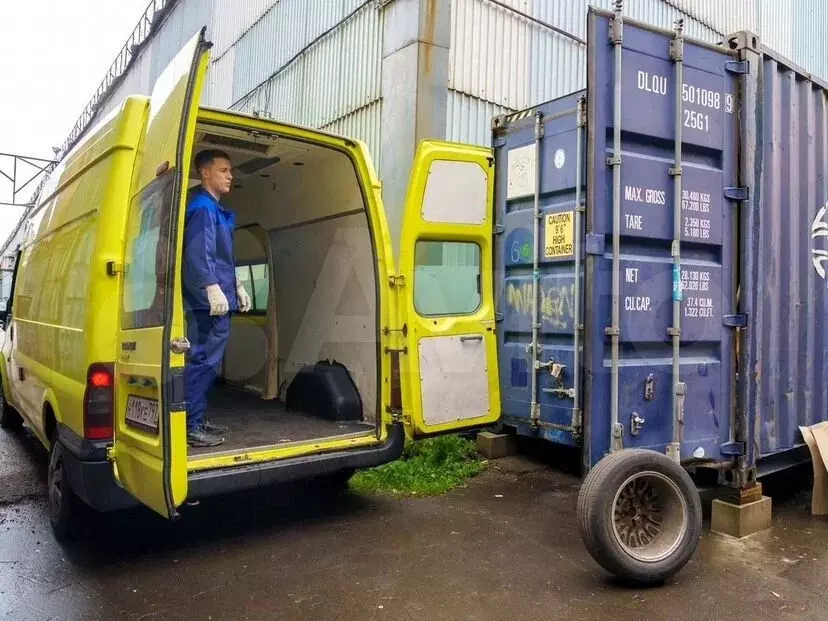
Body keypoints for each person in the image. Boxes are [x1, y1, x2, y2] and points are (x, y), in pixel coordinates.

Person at [182, 149, 252, 448]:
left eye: (230, 170)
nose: (230, 175)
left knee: (208, 361)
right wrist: (211, 287)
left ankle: (196, 417)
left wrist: (237, 285)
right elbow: (199, 254)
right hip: (207, 303)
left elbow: (222, 256)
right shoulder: (202, 208)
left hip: (220, 297)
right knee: (202, 362)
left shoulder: (216, 210)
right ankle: (188, 423)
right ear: (205, 173)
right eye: (224, 170)